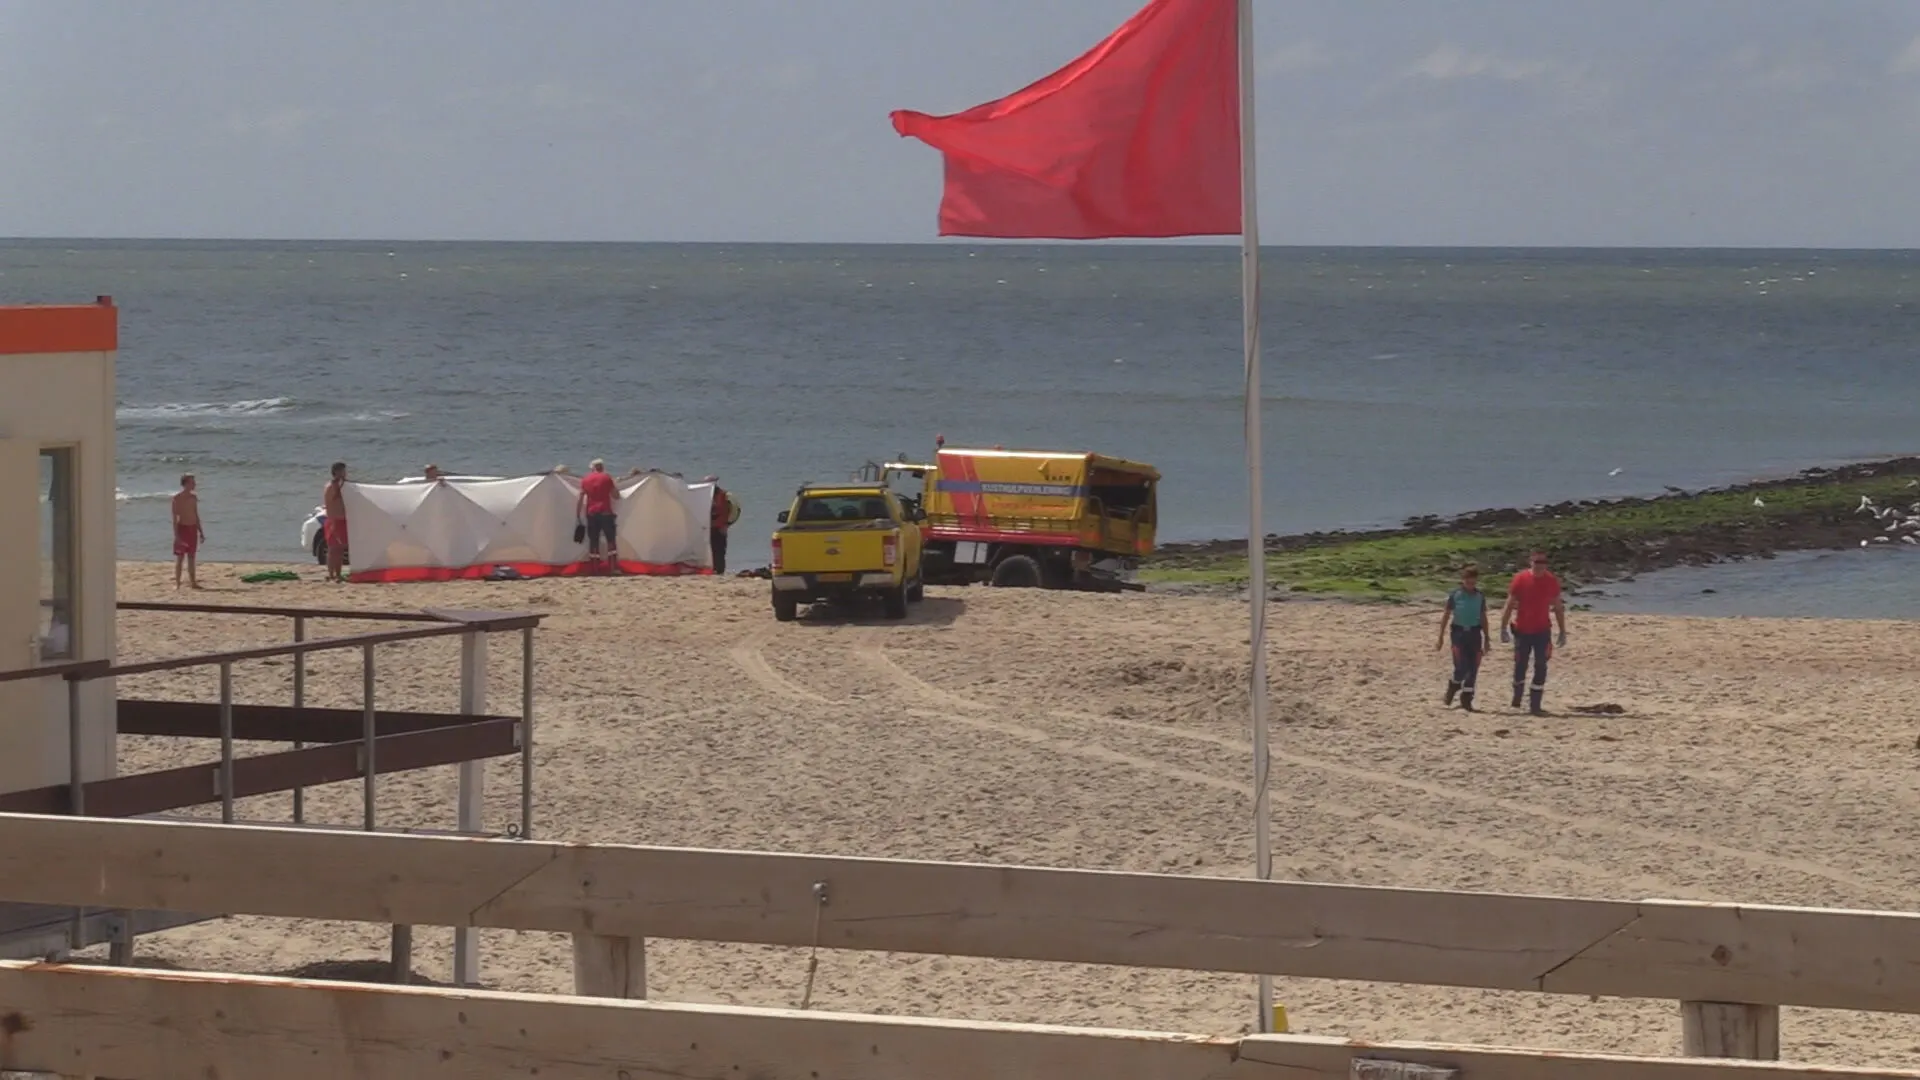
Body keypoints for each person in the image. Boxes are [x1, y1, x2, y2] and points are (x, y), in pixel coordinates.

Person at [1498, 551, 1567, 716]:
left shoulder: (1551, 581)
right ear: (1531, 563)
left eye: (1542, 564)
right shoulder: (1520, 579)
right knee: (1520, 665)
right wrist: (1503, 628)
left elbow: (1557, 607)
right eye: (1536, 563)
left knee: (1541, 665)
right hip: (1522, 630)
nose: (1539, 567)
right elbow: (1509, 604)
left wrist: (1562, 631)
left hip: (1542, 630)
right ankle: (1517, 696)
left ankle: (1535, 705)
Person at [1436, 564, 1488, 710]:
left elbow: (1483, 617)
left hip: (1475, 633)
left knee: (1473, 668)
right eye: (1468, 581)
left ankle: (1467, 700)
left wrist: (1487, 637)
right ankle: (1453, 685)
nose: (1471, 585)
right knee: (1461, 666)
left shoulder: (1479, 596)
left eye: (1473, 582)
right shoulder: (1455, 595)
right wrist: (1440, 636)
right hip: (1459, 634)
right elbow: (1446, 615)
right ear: (1463, 580)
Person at [576, 458, 620, 573]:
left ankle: (594, 568)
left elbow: (580, 498)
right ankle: (612, 567)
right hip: (606, 512)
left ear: (592, 468)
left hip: (591, 512)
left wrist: (578, 515)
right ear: (602, 467)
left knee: (593, 541)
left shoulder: (585, 479)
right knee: (610, 540)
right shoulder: (607, 478)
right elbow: (616, 496)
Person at [171, 473, 206, 590]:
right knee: (180, 558)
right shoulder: (177, 499)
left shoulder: (193, 498)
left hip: (192, 529)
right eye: (192, 482)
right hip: (183, 529)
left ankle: (193, 582)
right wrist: (176, 536)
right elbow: (175, 519)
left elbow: (196, 515)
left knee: (192, 557)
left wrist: (201, 532)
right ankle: (177, 584)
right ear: (185, 484)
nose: (194, 484)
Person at [323, 462, 350, 583]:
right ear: (337, 472)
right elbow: (332, 500)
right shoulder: (331, 486)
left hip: (341, 520)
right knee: (333, 549)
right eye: (343, 471)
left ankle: (338, 574)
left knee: (339, 549)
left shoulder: (340, 485)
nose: (345, 473)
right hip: (334, 520)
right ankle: (331, 574)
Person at [704, 475, 734, 575]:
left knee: (720, 549)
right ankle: (712, 569)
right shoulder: (703, 495)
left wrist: (727, 524)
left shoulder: (725, 495)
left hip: (720, 527)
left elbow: (735, 510)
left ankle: (720, 570)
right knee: (709, 549)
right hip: (707, 528)